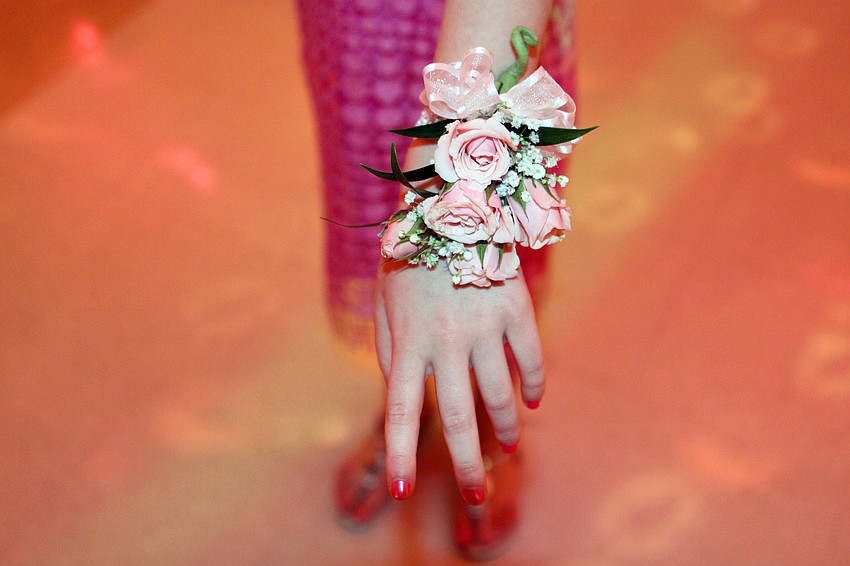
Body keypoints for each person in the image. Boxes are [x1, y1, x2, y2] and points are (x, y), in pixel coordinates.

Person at [296, 0, 577, 559]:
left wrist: (444, 212)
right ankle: (404, 396)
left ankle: (482, 413)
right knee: (369, 205)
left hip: (488, 22)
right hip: (356, 27)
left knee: (492, 264)